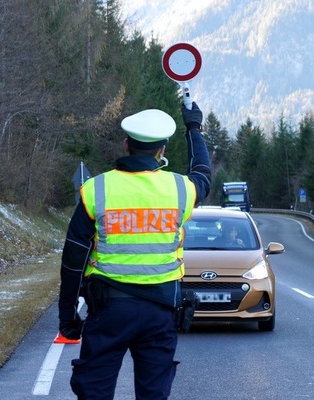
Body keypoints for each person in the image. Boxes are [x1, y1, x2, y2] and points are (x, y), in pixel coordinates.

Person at [57, 101, 212, 400]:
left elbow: (73, 259)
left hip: (108, 311)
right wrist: (194, 127)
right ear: (162, 151)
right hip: (161, 312)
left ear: (126, 145)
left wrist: (68, 318)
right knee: (154, 394)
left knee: (94, 391)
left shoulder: (96, 189)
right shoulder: (180, 189)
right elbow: (203, 173)